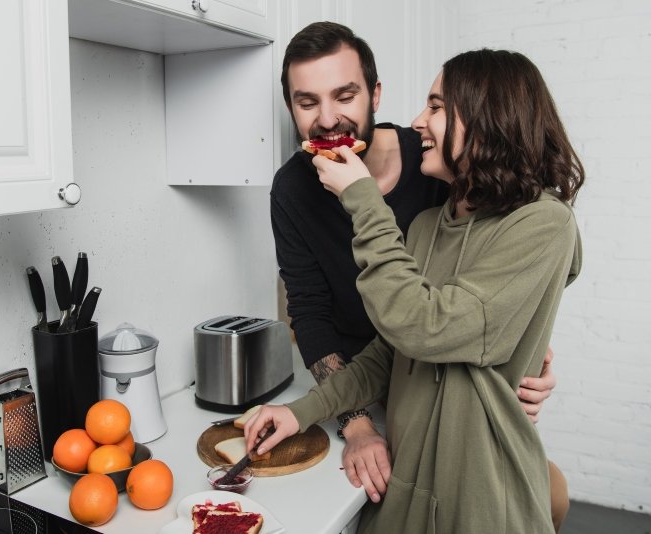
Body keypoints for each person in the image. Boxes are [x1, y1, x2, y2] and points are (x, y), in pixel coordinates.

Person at [250, 47, 584, 533]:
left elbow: (429, 325)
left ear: (489, 118)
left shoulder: (545, 223)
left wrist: (361, 198)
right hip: (407, 475)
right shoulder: (426, 225)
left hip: (481, 491)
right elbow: (390, 350)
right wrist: (303, 412)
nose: (417, 122)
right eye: (307, 102)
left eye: (435, 107)